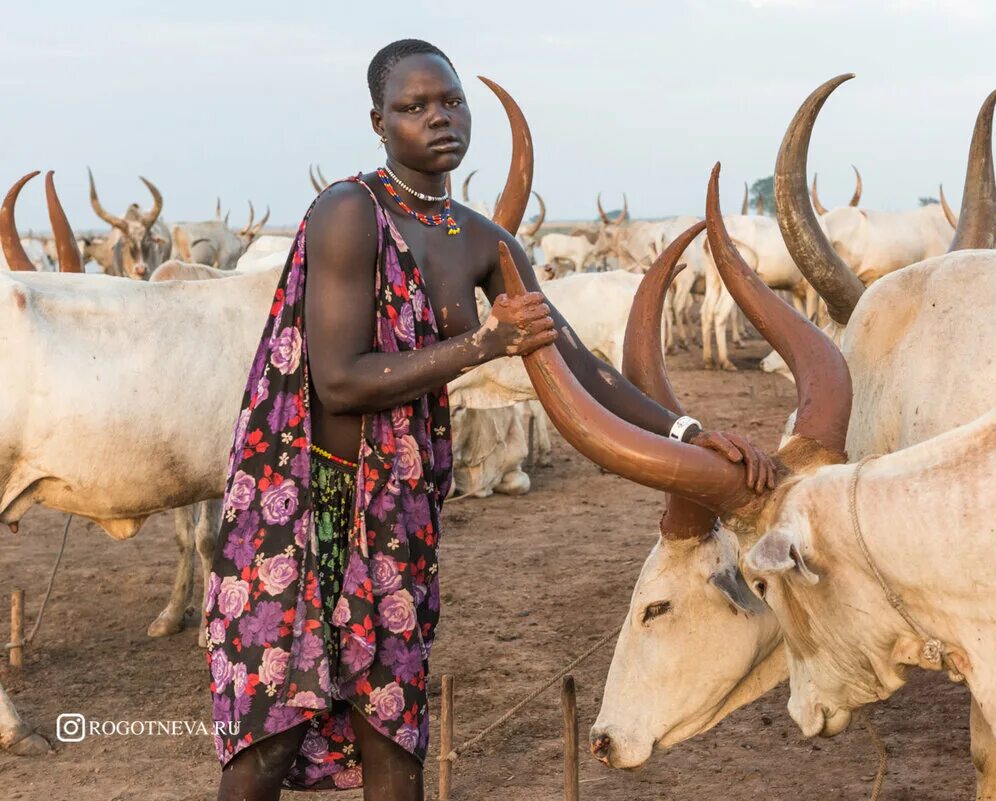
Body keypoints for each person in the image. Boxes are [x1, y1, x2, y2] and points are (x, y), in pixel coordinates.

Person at [203, 38, 776, 800]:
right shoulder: (348, 212)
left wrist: (688, 433)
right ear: (379, 122)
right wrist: (481, 342)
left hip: (398, 518)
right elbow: (339, 381)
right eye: (412, 107)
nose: (437, 118)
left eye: (450, 101)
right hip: (305, 513)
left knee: (393, 732)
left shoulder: (480, 240)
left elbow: (576, 360)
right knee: (266, 747)